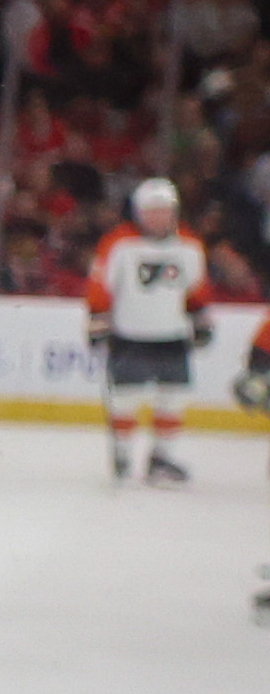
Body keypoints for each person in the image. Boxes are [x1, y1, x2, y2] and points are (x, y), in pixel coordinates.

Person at [85, 175, 220, 488]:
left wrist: (201, 322)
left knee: (173, 398)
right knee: (125, 399)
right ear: (138, 212)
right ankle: (122, 453)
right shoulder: (118, 244)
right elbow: (100, 287)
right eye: (151, 211)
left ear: (174, 212)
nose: (157, 217)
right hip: (129, 334)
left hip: (172, 335)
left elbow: (197, 291)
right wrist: (97, 324)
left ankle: (161, 459)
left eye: (163, 210)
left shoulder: (190, 245)